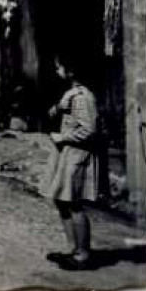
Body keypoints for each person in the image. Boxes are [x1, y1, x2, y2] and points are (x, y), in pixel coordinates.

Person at [41, 55, 104, 270]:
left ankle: (83, 254)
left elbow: (89, 130)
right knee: (62, 200)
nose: (56, 70)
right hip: (67, 153)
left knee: (74, 203)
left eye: (59, 67)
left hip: (77, 154)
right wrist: (57, 109)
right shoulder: (72, 94)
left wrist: (63, 137)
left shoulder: (82, 97)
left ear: (71, 71)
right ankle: (72, 249)